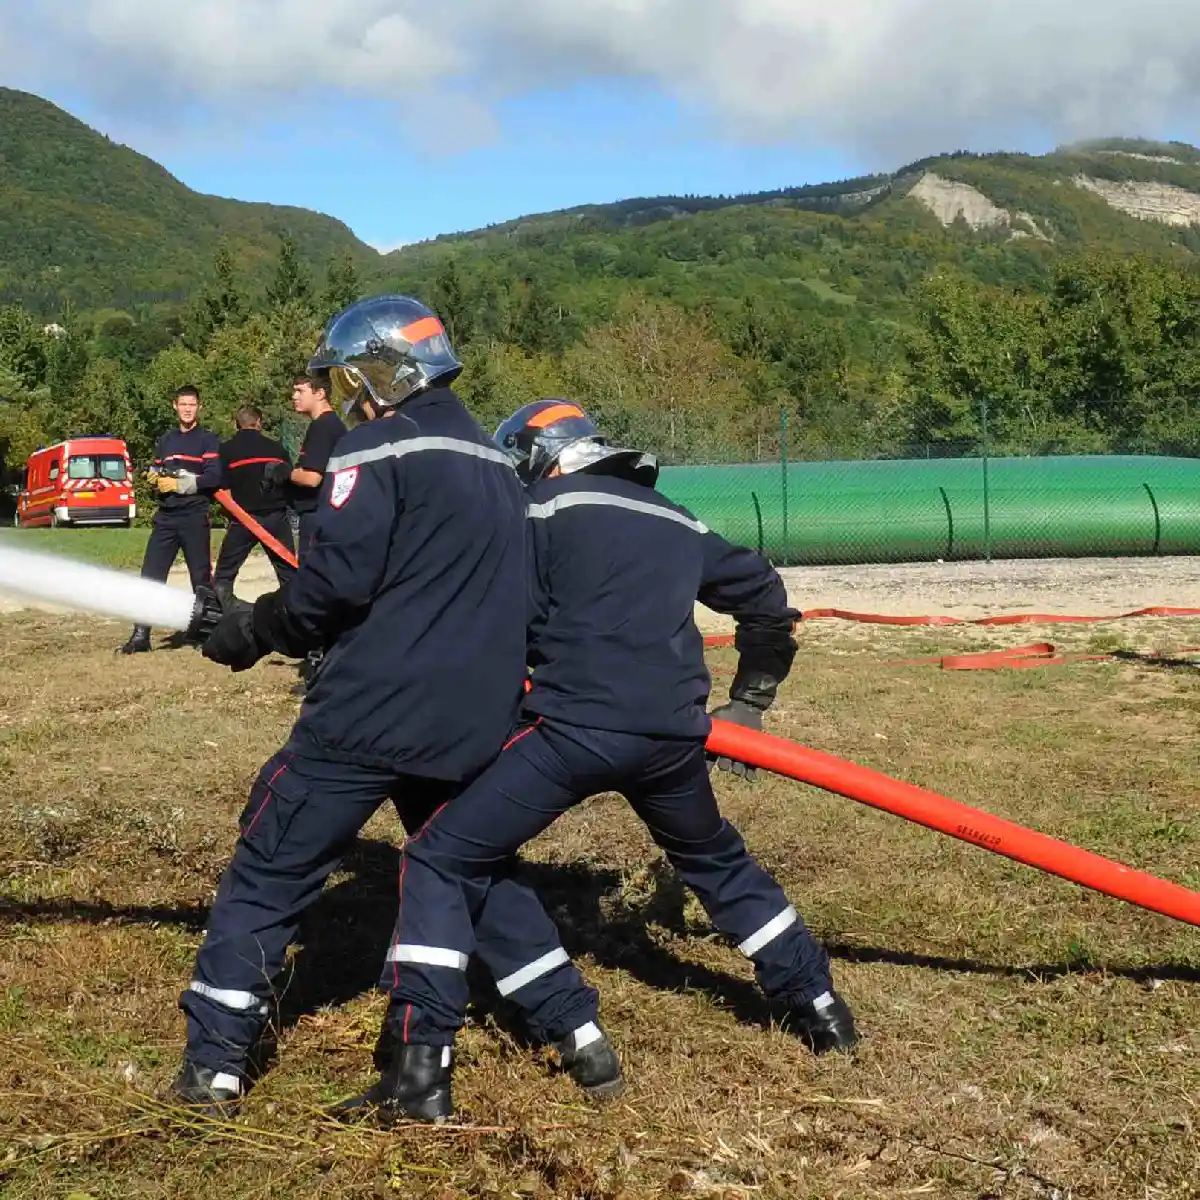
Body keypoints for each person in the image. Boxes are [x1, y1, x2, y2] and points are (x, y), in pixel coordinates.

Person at [344, 399, 860, 1122]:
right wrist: (751, 701)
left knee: (441, 856)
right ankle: (820, 1006)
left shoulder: (540, 512)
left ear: (536, 457)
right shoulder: (677, 519)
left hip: (572, 734)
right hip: (674, 739)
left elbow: (486, 611)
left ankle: (419, 1064)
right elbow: (766, 603)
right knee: (718, 864)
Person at [168, 298, 616, 1119]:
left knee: (272, 864)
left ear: (382, 373)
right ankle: (578, 1031)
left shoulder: (377, 447)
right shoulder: (495, 464)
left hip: (369, 712)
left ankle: (214, 1068)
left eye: (353, 380)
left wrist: (251, 629)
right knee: (472, 869)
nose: (351, 397)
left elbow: (333, 588)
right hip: (474, 717)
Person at [118, 385, 221, 654]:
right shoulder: (165, 440)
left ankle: (204, 635)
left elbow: (213, 477)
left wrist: (179, 485)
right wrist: (153, 478)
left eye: (192, 404)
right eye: (183, 404)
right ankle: (141, 635)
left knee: (200, 577)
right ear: (174, 406)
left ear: (199, 407)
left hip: (195, 515)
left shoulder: (208, 440)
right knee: (150, 575)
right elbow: (156, 470)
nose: (188, 409)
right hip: (166, 517)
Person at [267, 373, 347, 691]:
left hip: (318, 518)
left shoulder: (324, 426)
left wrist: (283, 472)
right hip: (326, 516)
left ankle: (318, 664)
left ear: (320, 393)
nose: (294, 397)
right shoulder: (331, 426)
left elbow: (312, 478)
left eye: (300, 390)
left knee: (315, 588)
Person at [211, 405, 296, 609]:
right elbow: (289, 483)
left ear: (236, 424)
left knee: (224, 574)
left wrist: (231, 515)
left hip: (244, 519)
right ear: (259, 422)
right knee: (288, 573)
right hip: (276, 517)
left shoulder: (226, 450)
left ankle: (222, 616)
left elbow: (223, 490)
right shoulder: (277, 448)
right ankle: (291, 618)